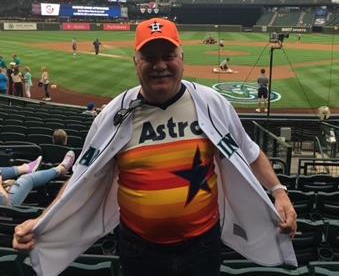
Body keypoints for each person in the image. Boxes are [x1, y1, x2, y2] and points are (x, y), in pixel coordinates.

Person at [13, 18, 297, 276]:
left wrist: (279, 193)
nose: (160, 65)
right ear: (136, 62)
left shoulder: (212, 103)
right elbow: (82, 176)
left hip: (203, 244)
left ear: (181, 58)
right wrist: (42, 221)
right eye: (149, 57)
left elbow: (249, 152)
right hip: (139, 250)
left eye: (168, 55)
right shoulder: (114, 114)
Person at [0, 152, 74, 206]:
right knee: (26, 178)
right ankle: (60, 169)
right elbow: (3, 201)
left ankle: (25, 168)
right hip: (4, 205)